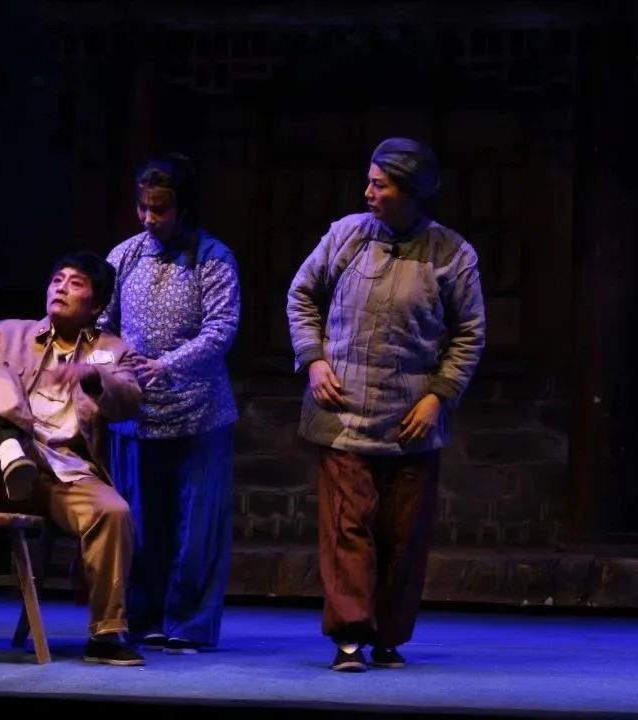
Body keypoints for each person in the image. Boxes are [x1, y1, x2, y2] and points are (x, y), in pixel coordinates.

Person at [287, 138, 486, 671]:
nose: (368, 192)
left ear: (411, 192)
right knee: (347, 526)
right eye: (369, 182)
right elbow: (302, 294)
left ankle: (389, 635)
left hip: (410, 419)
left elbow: (469, 332)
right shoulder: (346, 236)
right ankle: (350, 635)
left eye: (380, 184)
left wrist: (438, 397)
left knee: (403, 535)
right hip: (342, 412)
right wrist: (314, 360)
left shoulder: (451, 254)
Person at [0, 251, 145, 666]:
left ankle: (106, 635)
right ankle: (11, 448)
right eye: (57, 279)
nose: (61, 287)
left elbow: (129, 399)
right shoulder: (7, 334)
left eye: (76, 283)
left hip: (64, 471)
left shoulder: (111, 350)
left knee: (114, 511)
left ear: (97, 305)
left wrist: (92, 375)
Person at [98, 153, 240, 654]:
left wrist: (168, 365)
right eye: (143, 207)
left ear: (184, 208)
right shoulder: (124, 257)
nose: (148, 218)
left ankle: (189, 624)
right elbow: (100, 328)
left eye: (159, 209)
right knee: (142, 523)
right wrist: (110, 366)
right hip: (137, 415)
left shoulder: (213, 258)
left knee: (196, 528)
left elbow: (221, 329)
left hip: (200, 413)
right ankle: (144, 619)